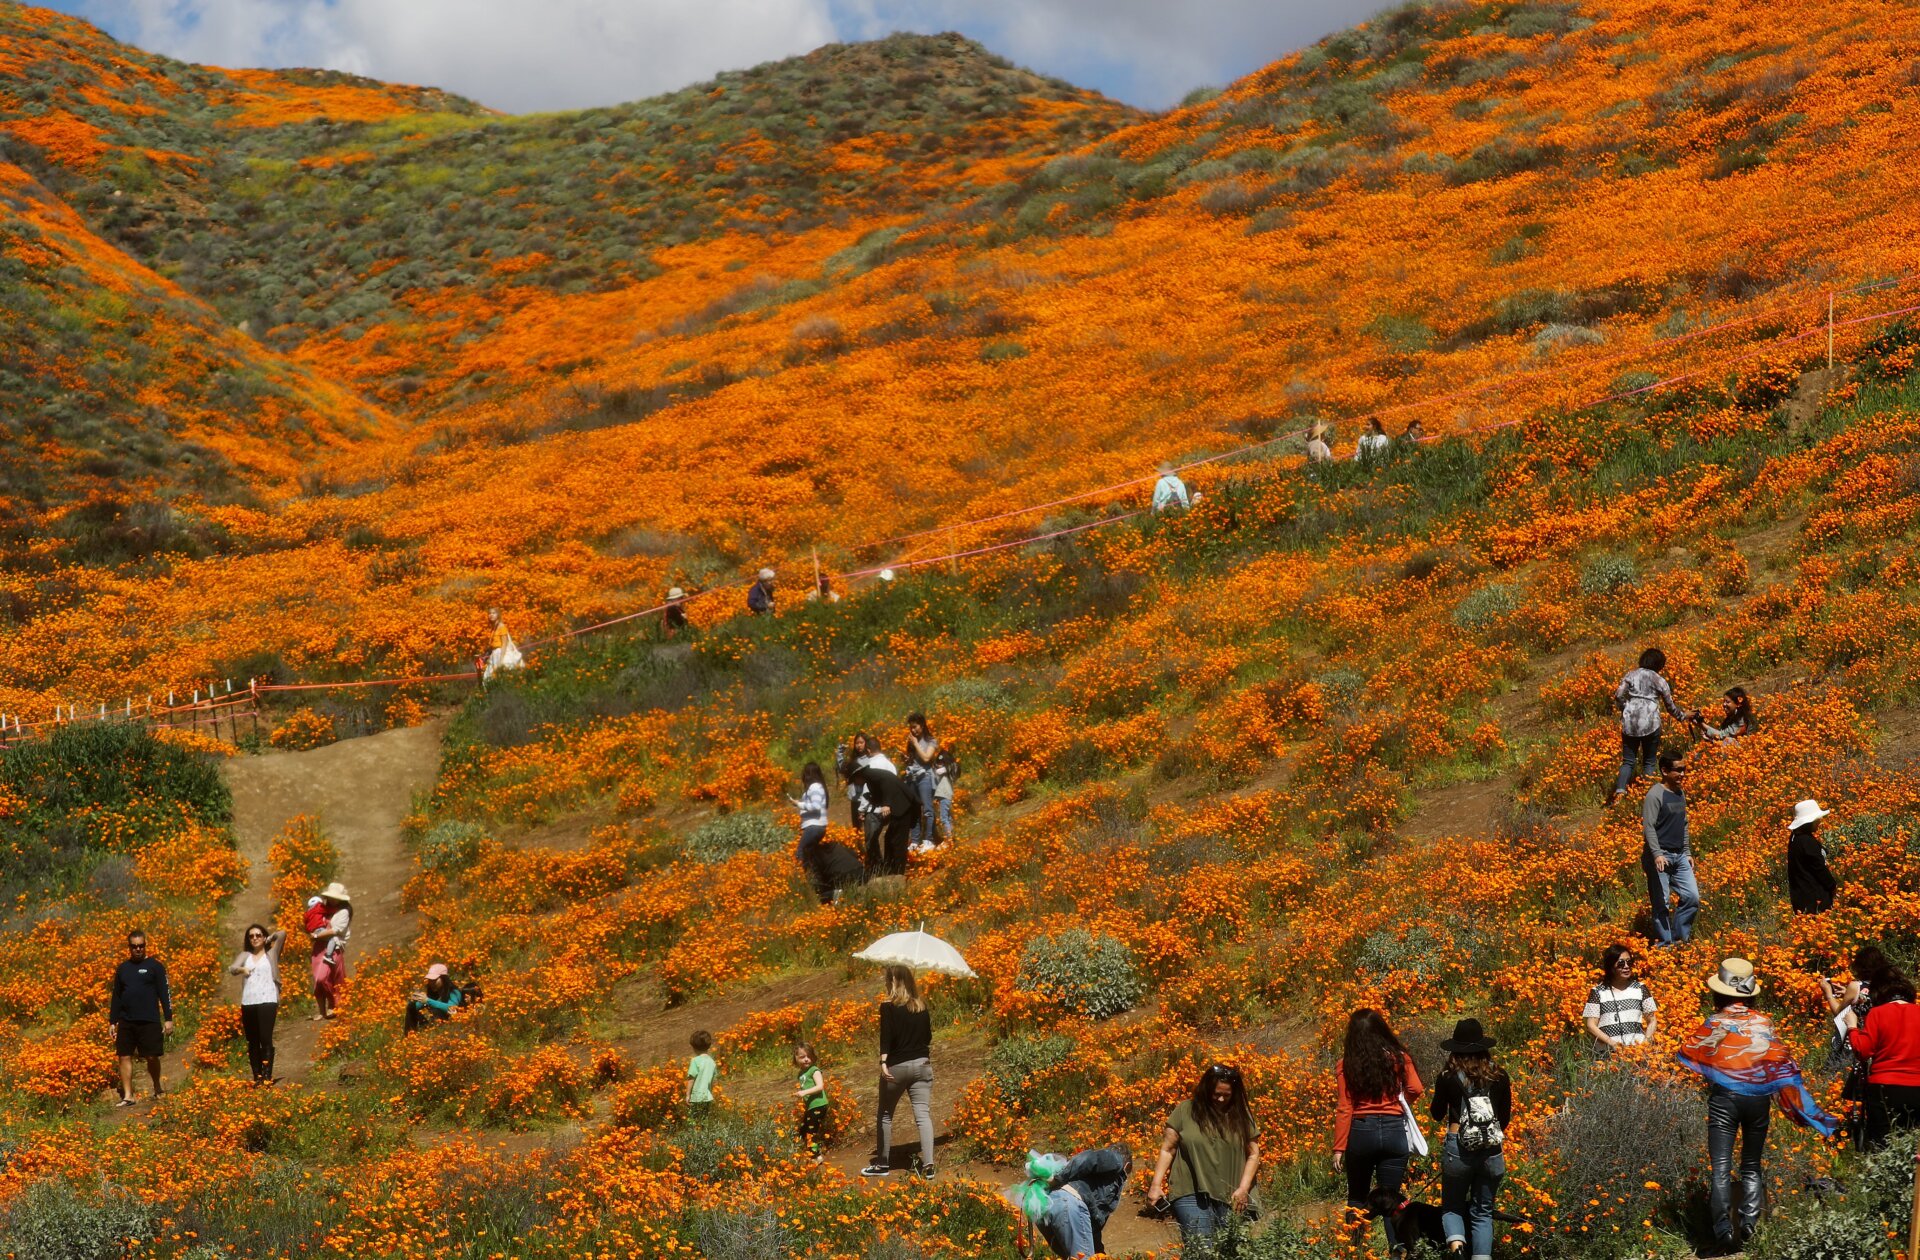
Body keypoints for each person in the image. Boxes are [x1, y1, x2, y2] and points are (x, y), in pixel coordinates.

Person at [1676, 958, 1838, 1254]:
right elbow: (1778, 1061)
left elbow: (1690, 1052)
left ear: (1720, 992)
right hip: (1758, 1101)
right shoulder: (1764, 1023)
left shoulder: (1715, 1021)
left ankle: (1723, 1231)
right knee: (1751, 1164)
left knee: (1720, 1169)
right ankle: (1749, 1224)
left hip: (1725, 1099)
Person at [1334, 1008, 1422, 1256]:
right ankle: (1397, 1251)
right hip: (1395, 1132)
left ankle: (1353, 1248)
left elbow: (1345, 1107)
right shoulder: (1399, 1058)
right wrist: (1400, 1104)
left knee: (1357, 1197)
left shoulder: (1346, 1065)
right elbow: (1416, 1088)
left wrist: (1339, 1148)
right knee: (1391, 1199)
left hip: (1362, 1132)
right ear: (1382, 1030)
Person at [1147, 1062, 1261, 1248]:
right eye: (1217, 1094)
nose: (1221, 1099)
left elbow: (1253, 1154)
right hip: (1189, 1190)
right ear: (1206, 1090)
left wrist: (1243, 1189)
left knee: (1231, 1249)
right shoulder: (1185, 1111)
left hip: (1231, 1193)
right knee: (1202, 1249)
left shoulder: (1241, 1115)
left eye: (1227, 1095)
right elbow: (1167, 1149)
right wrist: (1155, 1185)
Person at [1429, 1019, 1511, 1260]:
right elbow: (1504, 1118)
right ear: (1484, 1047)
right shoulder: (1500, 1075)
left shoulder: (1447, 1076)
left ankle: (1458, 1250)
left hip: (1458, 1146)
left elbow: (1436, 1113)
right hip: (1491, 1148)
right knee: (1483, 1212)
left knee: (1453, 1207)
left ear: (1455, 1049)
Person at [863, 964, 935, 1179]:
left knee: (885, 1114)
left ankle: (882, 1164)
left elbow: (886, 1037)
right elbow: (928, 1038)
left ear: (892, 982)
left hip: (897, 1067)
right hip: (922, 1065)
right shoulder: (921, 1006)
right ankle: (929, 1165)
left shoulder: (888, 1007)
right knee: (923, 1115)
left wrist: (883, 1061)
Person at [1848, 958, 1920, 1148]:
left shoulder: (1877, 1013)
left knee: (1882, 1146)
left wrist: (1852, 1027)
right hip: (1918, 1087)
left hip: (1884, 1088)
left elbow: (1862, 1051)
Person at [1610, 648, 1692, 804]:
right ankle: (1647, 796)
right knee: (1649, 761)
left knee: (1628, 761)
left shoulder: (1631, 675)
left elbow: (1618, 695)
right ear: (1659, 664)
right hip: (1650, 722)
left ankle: (1620, 793)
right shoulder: (1659, 680)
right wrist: (1682, 716)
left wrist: (1625, 708)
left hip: (1630, 722)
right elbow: (1670, 706)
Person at [1641, 753, 1700, 946]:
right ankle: (1664, 945)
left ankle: (1679, 939)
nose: (1683, 774)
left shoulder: (1679, 793)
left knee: (1692, 897)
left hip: (1679, 855)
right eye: (1678, 770)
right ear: (1664, 771)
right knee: (1661, 903)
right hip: (1661, 856)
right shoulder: (1655, 795)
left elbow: (1683, 824)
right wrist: (1657, 854)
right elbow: (1648, 827)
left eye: (1684, 769)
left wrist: (1687, 851)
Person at [109, 929, 173, 1107]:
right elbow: (117, 996)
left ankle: (157, 1087)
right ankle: (128, 1096)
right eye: (134, 946)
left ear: (145, 946)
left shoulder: (156, 966)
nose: (138, 949)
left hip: (149, 1019)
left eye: (141, 946)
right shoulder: (123, 969)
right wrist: (113, 1021)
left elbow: (164, 993)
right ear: (129, 947)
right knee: (124, 1056)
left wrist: (168, 1018)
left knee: (152, 1056)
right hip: (127, 1020)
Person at [1034, 1147, 1132, 1259]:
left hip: (1045, 1205)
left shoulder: (1093, 1180)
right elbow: (1088, 1158)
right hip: (1068, 1205)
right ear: (1127, 1165)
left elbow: (1092, 1227)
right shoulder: (1115, 1159)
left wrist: (1101, 1255)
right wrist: (1058, 1177)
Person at [228, 923, 285, 1084]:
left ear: (263, 937)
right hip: (249, 1001)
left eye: (258, 935)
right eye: (251, 936)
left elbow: (282, 934)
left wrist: (270, 938)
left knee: (265, 1038)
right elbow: (232, 968)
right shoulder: (245, 955)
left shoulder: (272, 953)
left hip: (268, 999)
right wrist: (241, 970)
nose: (254, 938)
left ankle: (267, 1076)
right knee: (252, 1040)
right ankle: (257, 1076)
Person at [850, 759, 919, 877]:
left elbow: (886, 783)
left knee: (898, 842)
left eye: (854, 781)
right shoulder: (870, 778)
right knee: (890, 839)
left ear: (858, 775)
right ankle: (890, 871)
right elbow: (879, 795)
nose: (856, 784)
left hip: (903, 806)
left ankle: (898, 874)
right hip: (900, 807)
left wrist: (887, 803)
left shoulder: (872, 775)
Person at [1584, 944, 1659, 1051]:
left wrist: (1646, 1043)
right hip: (1608, 1054)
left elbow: (1652, 1020)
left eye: (1629, 962)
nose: (1626, 966)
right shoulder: (1597, 992)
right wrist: (1613, 1044)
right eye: (1621, 963)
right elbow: (1591, 1025)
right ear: (1610, 966)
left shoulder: (1641, 988)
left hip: (1637, 1052)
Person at [902, 713, 949, 853]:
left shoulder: (931, 740)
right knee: (914, 810)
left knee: (928, 810)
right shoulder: (912, 741)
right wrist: (906, 759)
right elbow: (914, 760)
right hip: (912, 778)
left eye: (915, 727)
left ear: (922, 725)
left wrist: (915, 744)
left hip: (925, 778)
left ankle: (929, 839)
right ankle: (915, 841)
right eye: (911, 728)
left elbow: (927, 758)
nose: (913, 730)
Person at [1785, 799, 1837, 914]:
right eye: (1816, 819)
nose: (1819, 821)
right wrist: (1832, 886)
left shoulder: (1795, 838)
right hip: (1815, 902)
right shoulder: (1806, 842)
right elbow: (1819, 869)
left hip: (1801, 899)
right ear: (1809, 822)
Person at [309, 883, 351, 1020]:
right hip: (319, 948)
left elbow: (335, 931)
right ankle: (322, 1011)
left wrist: (316, 936)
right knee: (318, 979)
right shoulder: (322, 909)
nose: (333, 900)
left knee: (332, 978)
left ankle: (334, 1005)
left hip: (334, 948)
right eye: (331, 897)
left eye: (335, 898)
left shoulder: (343, 912)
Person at [794, 1042, 830, 1164]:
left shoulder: (814, 1070)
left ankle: (816, 1156)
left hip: (819, 1104)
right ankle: (812, 1152)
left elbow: (820, 1087)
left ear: (813, 1057)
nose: (806, 1059)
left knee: (810, 1131)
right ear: (796, 1058)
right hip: (812, 1106)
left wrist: (804, 1093)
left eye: (809, 1056)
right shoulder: (801, 1074)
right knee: (804, 1130)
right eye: (802, 1057)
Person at [405, 963, 464, 1034]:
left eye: (434, 980)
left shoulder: (454, 992)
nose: (431, 983)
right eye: (430, 980)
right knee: (411, 1009)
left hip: (450, 1028)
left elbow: (452, 1008)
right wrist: (413, 1002)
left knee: (437, 1010)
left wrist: (428, 1001)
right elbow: (416, 1007)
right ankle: (410, 1036)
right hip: (434, 1025)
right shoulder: (433, 993)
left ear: (444, 979)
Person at [483, 608, 522, 682]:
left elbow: (504, 644)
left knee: (496, 676)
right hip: (494, 654)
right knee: (489, 677)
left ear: (498, 615)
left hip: (500, 653)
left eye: (494, 613)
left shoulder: (501, 627)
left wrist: (501, 660)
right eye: (490, 613)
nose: (491, 615)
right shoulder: (494, 628)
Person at [686, 1030, 717, 1111]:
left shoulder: (695, 1061)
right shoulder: (712, 1062)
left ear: (694, 1048)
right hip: (708, 1097)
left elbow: (691, 1079)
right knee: (705, 1118)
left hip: (696, 1097)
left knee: (695, 1120)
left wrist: (688, 1095)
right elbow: (712, 1081)